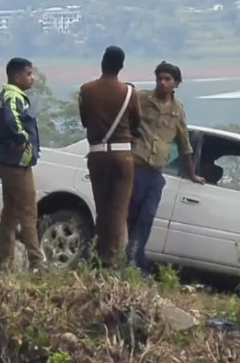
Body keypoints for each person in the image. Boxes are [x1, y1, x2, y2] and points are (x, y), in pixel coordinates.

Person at [128, 61, 204, 274]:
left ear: (176, 83)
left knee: (147, 218)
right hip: (135, 166)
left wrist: (192, 175)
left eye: (167, 79)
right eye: (159, 78)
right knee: (130, 216)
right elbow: (124, 122)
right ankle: (130, 261)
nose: (162, 82)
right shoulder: (142, 98)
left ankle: (134, 259)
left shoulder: (178, 110)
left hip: (155, 173)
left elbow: (184, 144)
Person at [78, 45, 141, 268]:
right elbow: (136, 123)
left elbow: (85, 121)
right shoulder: (130, 93)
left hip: (97, 155)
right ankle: (111, 259)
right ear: (121, 66)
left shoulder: (86, 90)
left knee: (102, 207)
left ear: (102, 63)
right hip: (122, 154)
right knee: (119, 209)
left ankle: (99, 254)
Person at [0, 58, 44, 274]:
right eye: (29, 74)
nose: (32, 78)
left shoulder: (0, 98)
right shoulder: (13, 97)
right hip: (17, 164)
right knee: (29, 211)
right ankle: (37, 263)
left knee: (10, 213)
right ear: (17, 76)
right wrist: (22, 142)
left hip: (6, 161)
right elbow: (13, 122)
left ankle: (4, 264)